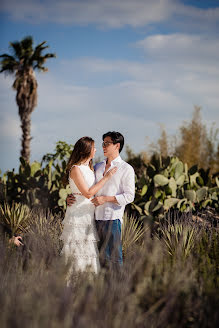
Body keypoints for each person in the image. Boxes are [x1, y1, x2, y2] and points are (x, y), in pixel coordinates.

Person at [67, 131, 135, 267]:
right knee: (98, 261)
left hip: (112, 219)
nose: (103, 146)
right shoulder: (97, 166)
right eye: (103, 143)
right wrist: (70, 197)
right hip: (93, 219)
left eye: (107, 143)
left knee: (114, 260)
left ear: (117, 146)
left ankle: (118, 288)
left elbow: (129, 196)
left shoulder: (126, 169)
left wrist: (106, 199)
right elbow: (85, 188)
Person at [60, 136, 117, 275]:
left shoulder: (90, 167)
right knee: (77, 248)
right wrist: (106, 177)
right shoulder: (76, 169)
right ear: (86, 150)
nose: (96, 149)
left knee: (88, 250)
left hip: (88, 213)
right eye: (93, 147)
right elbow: (87, 193)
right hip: (78, 213)